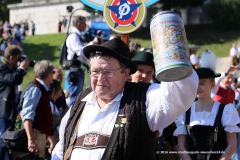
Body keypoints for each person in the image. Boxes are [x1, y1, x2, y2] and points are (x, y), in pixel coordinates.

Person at [51, 38, 198, 160]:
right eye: (95, 72)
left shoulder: (144, 98)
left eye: (108, 72)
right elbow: (61, 149)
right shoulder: (80, 102)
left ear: (126, 74)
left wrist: (171, 46)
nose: (100, 79)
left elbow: (181, 93)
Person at [174, 51, 240, 160]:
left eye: (202, 83)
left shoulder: (226, 110)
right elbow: (181, 146)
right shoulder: (185, 112)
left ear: (212, 84)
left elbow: (231, 147)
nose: (198, 87)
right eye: (195, 83)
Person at [20, 60, 55, 158]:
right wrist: (31, 139)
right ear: (48, 74)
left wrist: (51, 139)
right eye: (53, 72)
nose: (53, 75)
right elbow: (27, 116)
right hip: (35, 135)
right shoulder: (36, 89)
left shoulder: (42, 89)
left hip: (40, 135)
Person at [0, 45, 29, 160]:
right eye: (18, 59)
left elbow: (18, 79)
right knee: (4, 137)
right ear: (11, 58)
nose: (18, 61)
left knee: (8, 137)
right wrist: (21, 69)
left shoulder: (9, 67)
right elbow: (12, 79)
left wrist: (21, 69)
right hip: (4, 108)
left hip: (9, 107)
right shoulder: (2, 67)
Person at [64, 15, 90, 106]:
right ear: (79, 24)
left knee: (78, 96)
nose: (85, 25)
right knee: (74, 98)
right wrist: (92, 44)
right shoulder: (73, 36)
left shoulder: (78, 36)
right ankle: (72, 119)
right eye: (84, 23)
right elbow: (79, 52)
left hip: (78, 69)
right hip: (74, 69)